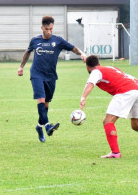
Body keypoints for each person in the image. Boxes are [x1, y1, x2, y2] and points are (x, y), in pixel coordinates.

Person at [79, 55, 138, 158]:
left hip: (125, 92)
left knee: (108, 121)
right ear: (99, 63)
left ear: (87, 67)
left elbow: (90, 83)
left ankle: (115, 153)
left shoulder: (95, 72)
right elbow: (135, 79)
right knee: (137, 125)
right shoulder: (112, 68)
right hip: (137, 91)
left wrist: (83, 97)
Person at [18, 15, 87, 143]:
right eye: (46, 29)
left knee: (46, 104)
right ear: (41, 28)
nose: (49, 32)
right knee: (41, 100)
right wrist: (21, 67)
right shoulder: (35, 41)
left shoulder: (58, 41)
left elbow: (73, 48)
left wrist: (82, 54)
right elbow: (27, 52)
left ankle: (39, 127)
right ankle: (48, 126)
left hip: (50, 76)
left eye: (51, 29)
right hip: (36, 74)